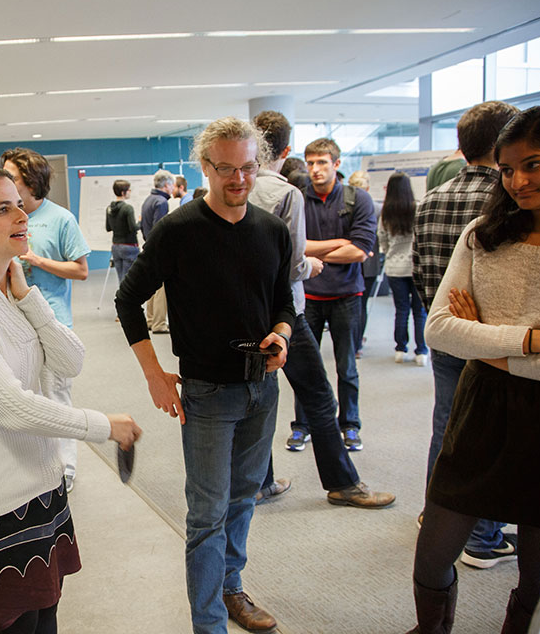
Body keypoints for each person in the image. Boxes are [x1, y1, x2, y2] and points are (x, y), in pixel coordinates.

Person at [0, 166, 141, 633]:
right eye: (2, 209)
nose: (20, 216)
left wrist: (27, 297)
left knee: (48, 621)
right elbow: (11, 406)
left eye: (19, 204)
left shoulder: (12, 297)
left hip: (42, 490)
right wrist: (105, 427)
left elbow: (70, 362)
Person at [117, 117, 294, 634]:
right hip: (207, 392)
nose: (238, 179)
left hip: (263, 387)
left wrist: (280, 333)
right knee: (207, 514)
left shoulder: (272, 230)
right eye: (225, 169)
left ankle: (231, 588)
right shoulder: (179, 230)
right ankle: (208, 624)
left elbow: (283, 301)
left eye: (247, 167)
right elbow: (129, 299)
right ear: (206, 168)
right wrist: (153, 373)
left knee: (243, 500)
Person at [408, 104, 540, 634]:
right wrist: (539, 339)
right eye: (507, 168)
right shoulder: (484, 232)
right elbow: (440, 330)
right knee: (432, 553)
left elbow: (464, 335)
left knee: (539, 569)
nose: (518, 180)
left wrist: (485, 341)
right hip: (482, 406)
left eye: (535, 164)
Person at [249, 110, 394, 509]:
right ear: (287, 150)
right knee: (318, 395)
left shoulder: (235, 187)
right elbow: (296, 261)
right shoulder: (286, 193)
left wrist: (312, 247)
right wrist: (314, 260)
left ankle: (260, 481)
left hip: (249, 313)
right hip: (286, 313)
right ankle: (342, 483)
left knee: (262, 396)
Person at [412, 100, 520, 567]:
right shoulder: (510, 200)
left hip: (443, 334)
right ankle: (481, 535)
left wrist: (442, 318)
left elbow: (420, 270)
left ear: (461, 146)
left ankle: (436, 514)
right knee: (492, 432)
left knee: (447, 423)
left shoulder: (433, 197)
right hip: (495, 344)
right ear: (504, 147)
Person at [1, 147, 91, 492]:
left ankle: (64, 468)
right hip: (10, 323)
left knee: (56, 397)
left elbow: (80, 270)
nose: (6, 184)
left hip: (52, 324)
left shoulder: (60, 219)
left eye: (13, 178)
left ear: (32, 182)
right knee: (20, 397)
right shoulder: (7, 216)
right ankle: (32, 465)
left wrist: (35, 260)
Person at [301, 138, 377, 451]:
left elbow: (359, 251)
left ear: (336, 163)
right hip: (307, 296)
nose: (315, 169)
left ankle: (350, 425)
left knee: (346, 367)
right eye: (310, 163)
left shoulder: (358, 199)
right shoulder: (298, 198)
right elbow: (294, 246)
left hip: (346, 295)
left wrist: (312, 249)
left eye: (321, 162)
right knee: (305, 367)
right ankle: (302, 425)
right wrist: (337, 243)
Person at [378, 172, 427, 365]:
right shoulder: (418, 208)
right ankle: (421, 351)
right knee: (419, 311)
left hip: (394, 268)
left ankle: (400, 349)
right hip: (415, 267)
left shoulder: (386, 213)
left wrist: (391, 252)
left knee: (401, 310)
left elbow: (382, 239)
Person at [347, 170, 381, 357]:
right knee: (362, 305)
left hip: (350, 259)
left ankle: (353, 342)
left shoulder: (345, 205)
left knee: (352, 305)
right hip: (369, 262)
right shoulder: (376, 207)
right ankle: (358, 343)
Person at [140, 169, 176, 335]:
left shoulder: (148, 200)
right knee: (162, 288)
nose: (173, 188)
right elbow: (159, 228)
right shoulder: (162, 202)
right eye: (172, 185)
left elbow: (144, 227)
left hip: (148, 246)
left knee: (152, 287)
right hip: (159, 249)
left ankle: (150, 319)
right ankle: (160, 323)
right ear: (167, 184)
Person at [105, 179, 139, 284]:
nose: (130, 192)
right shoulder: (128, 208)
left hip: (115, 246)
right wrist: (141, 222)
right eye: (129, 190)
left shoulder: (109, 208)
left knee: (121, 279)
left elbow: (108, 227)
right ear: (123, 192)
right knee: (130, 279)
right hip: (129, 246)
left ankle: (123, 298)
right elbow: (133, 228)